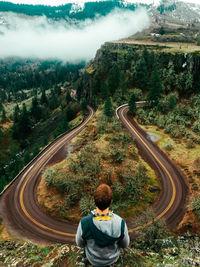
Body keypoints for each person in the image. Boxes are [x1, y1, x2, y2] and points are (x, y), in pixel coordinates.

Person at [76, 183, 130, 267]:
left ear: (94, 201)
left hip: (92, 260)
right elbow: (125, 244)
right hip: (112, 259)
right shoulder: (120, 222)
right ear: (111, 201)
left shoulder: (84, 222)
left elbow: (80, 243)